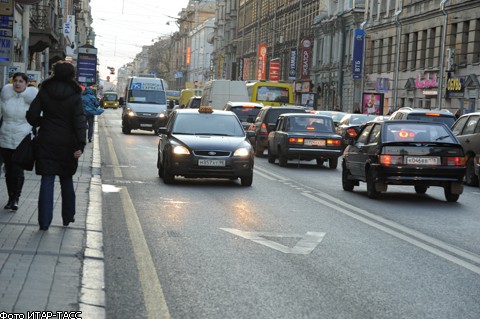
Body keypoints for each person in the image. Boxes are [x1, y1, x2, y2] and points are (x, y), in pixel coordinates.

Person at [26, 61, 86, 231]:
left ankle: (44, 222)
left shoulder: (44, 91)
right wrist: (80, 144)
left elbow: (32, 114)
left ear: (54, 73)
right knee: (66, 179)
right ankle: (67, 217)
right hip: (68, 142)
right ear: (71, 75)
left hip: (46, 140)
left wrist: (42, 122)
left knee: (47, 179)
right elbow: (79, 121)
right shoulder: (75, 94)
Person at [0, 72, 38, 211]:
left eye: (21, 81)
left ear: (27, 84)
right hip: (4, 137)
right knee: (9, 171)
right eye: (15, 80)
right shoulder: (5, 97)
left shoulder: (31, 99)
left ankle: (16, 198)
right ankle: (10, 197)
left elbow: (38, 118)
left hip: (22, 139)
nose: (17, 83)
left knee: (17, 170)